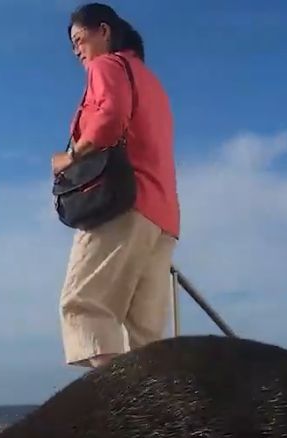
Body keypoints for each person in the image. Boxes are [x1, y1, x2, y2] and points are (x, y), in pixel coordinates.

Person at [55, 3, 180, 369]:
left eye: (80, 40)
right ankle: (157, 420)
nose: (77, 51)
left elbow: (109, 119)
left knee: (85, 307)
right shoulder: (153, 84)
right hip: (163, 218)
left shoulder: (106, 66)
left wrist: (71, 157)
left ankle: (118, 418)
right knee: (145, 340)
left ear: (104, 31)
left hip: (122, 204)